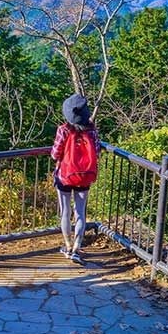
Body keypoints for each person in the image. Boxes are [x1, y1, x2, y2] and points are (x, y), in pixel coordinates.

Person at [50, 94, 100, 265]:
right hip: (85, 176)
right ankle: (77, 248)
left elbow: (55, 153)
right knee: (80, 212)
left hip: (64, 175)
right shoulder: (92, 131)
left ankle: (67, 245)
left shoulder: (63, 130)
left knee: (65, 211)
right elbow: (97, 152)